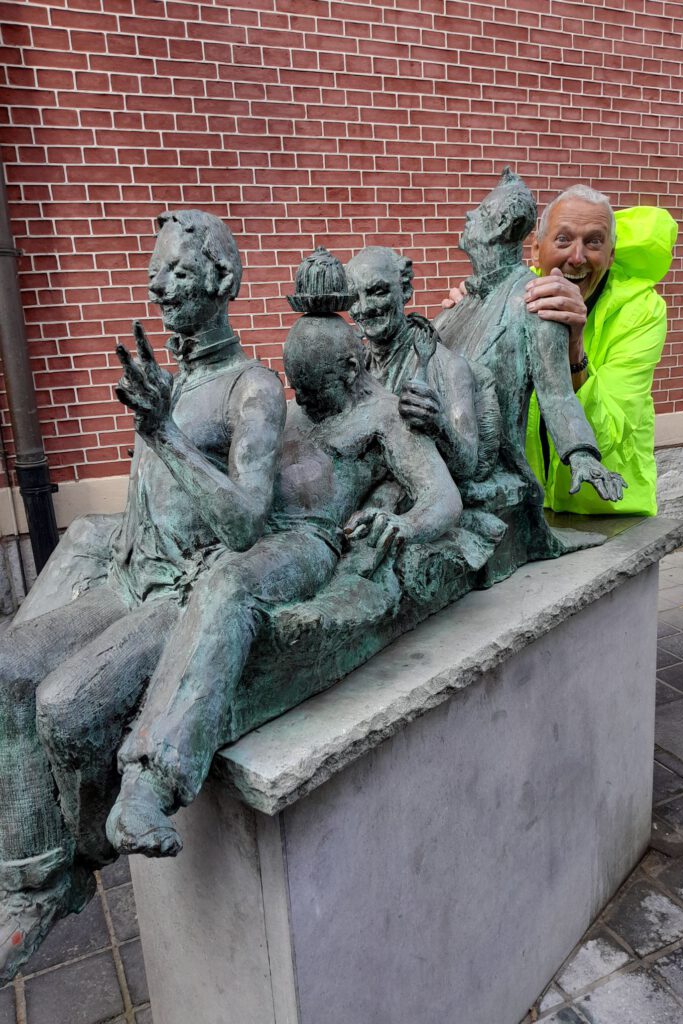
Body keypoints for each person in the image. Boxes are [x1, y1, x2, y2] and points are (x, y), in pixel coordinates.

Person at [0, 209, 287, 981]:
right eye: (156, 273)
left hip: (181, 594)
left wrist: (163, 431)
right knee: (7, 671)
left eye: (179, 274)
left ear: (223, 281)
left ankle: (72, 867)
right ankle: (30, 881)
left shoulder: (254, 387)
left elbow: (246, 522)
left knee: (63, 707)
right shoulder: (172, 373)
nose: (159, 289)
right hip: (128, 578)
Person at [103, 311, 462, 861]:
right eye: (298, 387)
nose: (303, 400)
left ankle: (152, 781)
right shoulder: (289, 412)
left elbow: (443, 497)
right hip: (250, 534)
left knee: (229, 586)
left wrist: (404, 523)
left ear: (350, 369)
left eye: (314, 388)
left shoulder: (386, 417)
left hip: (305, 544)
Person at [444, 183, 678, 515]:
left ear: (611, 255)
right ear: (536, 250)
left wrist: (573, 345)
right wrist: (469, 319)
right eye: (563, 240)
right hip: (526, 505)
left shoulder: (641, 312)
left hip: (604, 509)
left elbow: (602, 430)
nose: (577, 257)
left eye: (594, 242)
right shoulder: (518, 299)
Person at [432, 168, 626, 544]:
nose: (469, 215)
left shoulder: (537, 304)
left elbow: (557, 394)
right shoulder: (459, 306)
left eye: (482, 211)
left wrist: (582, 455)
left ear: (502, 226)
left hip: (491, 486)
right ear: (535, 246)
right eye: (564, 239)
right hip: (443, 470)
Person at [346, 246, 481, 481]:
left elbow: (468, 464)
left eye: (378, 292)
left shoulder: (448, 367)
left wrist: (438, 425)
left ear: (405, 289)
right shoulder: (353, 371)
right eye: (354, 298)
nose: (365, 308)